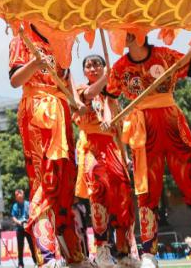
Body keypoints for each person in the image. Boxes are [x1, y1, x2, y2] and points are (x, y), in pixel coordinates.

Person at [104, 34, 191, 268]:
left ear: (139, 31)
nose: (121, 35)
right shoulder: (119, 68)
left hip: (172, 123)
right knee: (147, 191)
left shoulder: (165, 55)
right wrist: (110, 120)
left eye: (126, 30)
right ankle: (148, 254)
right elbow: (110, 99)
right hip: (143, 129)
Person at [8, 26, 84, 267]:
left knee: (65, 182)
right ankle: (47, 255)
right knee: (45, 181)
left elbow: (66, 76)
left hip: (61, 112)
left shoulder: (61, 40)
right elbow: (15, 80)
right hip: (38, 110)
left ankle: (73, 255)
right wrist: (34, 64)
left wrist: (77, 101)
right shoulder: (22, 39)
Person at [73, 54, 135, 268]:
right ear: (84, 72)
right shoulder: (80, 90)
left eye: (96, 64)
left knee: (123, 197)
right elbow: (89, 95)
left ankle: (125, 251)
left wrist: (125, 157)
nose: (92, 68)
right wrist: (106, 77)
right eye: (88, 66)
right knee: (98, 193)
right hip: (92, 146)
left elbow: (117, 131)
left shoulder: (112, 97)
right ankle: (102, 249)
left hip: (112, 149)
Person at [9, 190, 38, 268]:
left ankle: (36, 261)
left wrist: (29, 221)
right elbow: (13, 217)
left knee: (32, 245)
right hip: (20, 228)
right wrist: (19, 222)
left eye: (21, 197)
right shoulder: (15, 205)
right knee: (20, 247)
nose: (19, 199)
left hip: (28, 227)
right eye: (18, 197)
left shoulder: (28, 204)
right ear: (16, 198)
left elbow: (32, 213)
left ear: (23, 196)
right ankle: (20, 263)